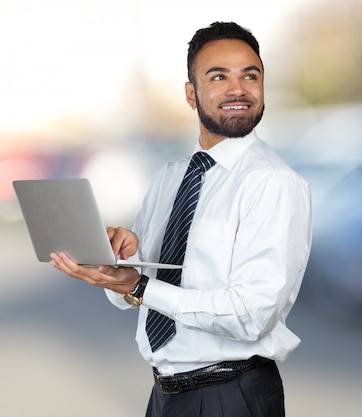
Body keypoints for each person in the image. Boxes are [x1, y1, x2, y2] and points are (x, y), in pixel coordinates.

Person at [49, 21, 312, 417]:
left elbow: (250, 316)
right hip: (165, 395)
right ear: (191, 94)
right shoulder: (171, 177)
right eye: (219, 76)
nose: (238, 89)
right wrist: (119, 262)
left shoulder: (272, 182)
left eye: (250, 76)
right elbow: (134, 298)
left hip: (233, 396)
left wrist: (139, 284)